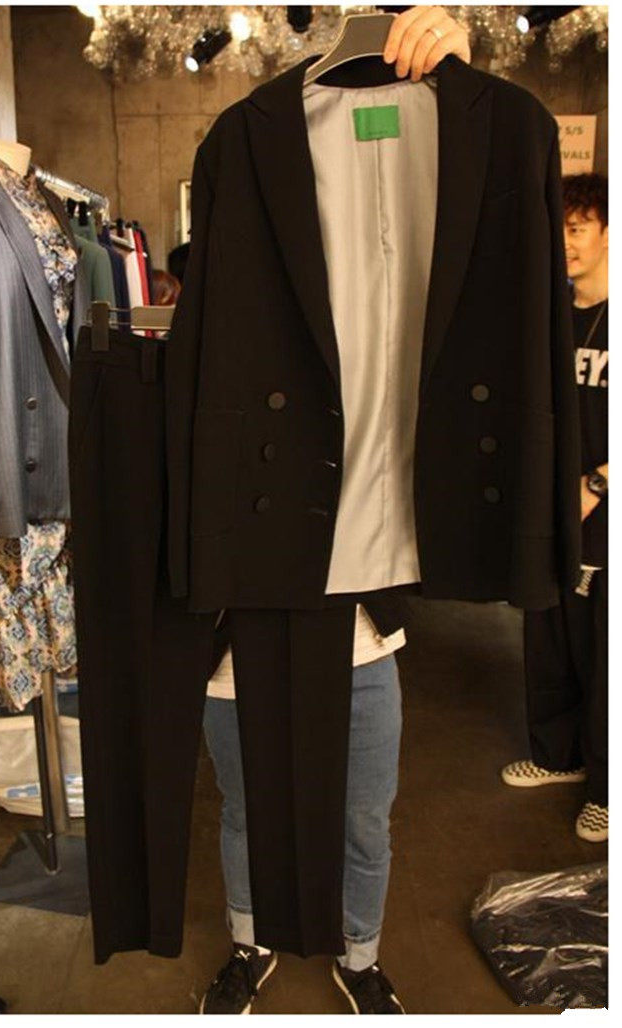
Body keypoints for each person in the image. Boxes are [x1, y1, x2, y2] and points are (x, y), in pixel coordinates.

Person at [198, 7, 472, 1015]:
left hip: (361, 619)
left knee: (363, 813)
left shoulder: (457, 149)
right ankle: (251, 943)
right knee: (247, 807)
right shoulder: (246, 150)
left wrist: (462, 71)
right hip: (251, 606)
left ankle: (359, 955)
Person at [502, 172, 608, 844]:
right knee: (550, 633)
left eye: (577, 228)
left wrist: (595, 484)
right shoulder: (556, 316)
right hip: (552, 510)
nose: (565, 242)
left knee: (605, 653)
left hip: (600, 507)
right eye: (558, 229)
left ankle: (607, 788)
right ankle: (557, 755)